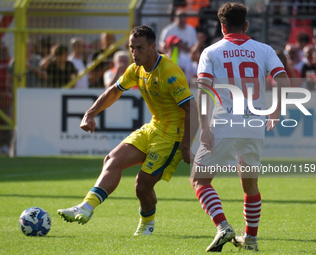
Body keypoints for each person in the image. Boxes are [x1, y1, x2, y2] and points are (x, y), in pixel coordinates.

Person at [57, 25, 198, 235]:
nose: (135, 53)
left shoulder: (169, 72)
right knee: (112, 159)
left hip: (173, 136)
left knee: (142, 186)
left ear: (153, 47)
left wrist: (186, 145)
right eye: (132, 48)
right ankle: (86, 207)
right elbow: (114, 91)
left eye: (140, 48)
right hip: (154, 126)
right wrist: (90, 113)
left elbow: (192, 110)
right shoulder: (136, 68)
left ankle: (147, 225)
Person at [190, 3, 290, 252]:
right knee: (250, 183)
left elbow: (203, 90)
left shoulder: (211, 51)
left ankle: (223, 226)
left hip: (225, 122)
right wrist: (276, 110)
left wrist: (204, 127)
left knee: (199, 180)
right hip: (254, 124)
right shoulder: (264, 49)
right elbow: (283, 79)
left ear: (222, 27)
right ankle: (251, 239)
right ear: (246, 25)